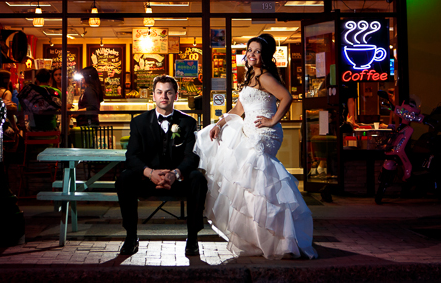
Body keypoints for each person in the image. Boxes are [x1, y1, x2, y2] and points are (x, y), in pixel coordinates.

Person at [194, 34, 317, 259]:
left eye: (257, 51)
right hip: (249, 131)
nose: (251, 54)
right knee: (252, 187)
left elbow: (287, 97)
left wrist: (272, 120)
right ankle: (260, 238)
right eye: (250, 50)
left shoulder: (266, 77)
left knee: (262, 182)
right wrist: (220, 123)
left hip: (263, 133)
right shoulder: (251, 76)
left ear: (265, 56)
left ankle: (282, 240)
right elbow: (238, 110)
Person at [115, 75, 207, 257]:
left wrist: (175, 173)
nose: (164, 96)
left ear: (176, 96)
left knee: (198, 178)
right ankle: (131, 237)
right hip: (148, 180)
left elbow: (192, 157)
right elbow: (131, 156)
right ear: (153, 96)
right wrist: (150, 173)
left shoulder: (188, 122)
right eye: (159, 92)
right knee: (124, 178)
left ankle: (193, 238)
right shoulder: (139, 122)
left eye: (168, 92)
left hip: (179, 181)